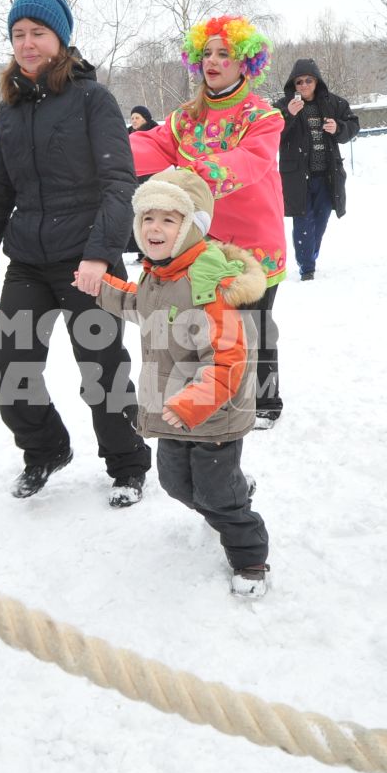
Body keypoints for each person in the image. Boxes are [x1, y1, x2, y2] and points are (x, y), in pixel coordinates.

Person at [0, 0, 152, 504]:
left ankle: (127, 464)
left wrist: (99, 255)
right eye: (18, 34)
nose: (27, 44)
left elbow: (119, 183)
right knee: (9, 363)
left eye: (38, 33)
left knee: (101, 368)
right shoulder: (8, 112)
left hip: (87, 258)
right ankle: (46, 449)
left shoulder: (92, 100)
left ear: (61, 39)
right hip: (29, 261)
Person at [97, 168, 272, 595]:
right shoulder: (159, 274)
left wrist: (192, 404)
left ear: (192, 226)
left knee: (217, 498)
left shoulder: (207, 282)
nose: (154, 228)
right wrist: (101, 287)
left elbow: (230, 358)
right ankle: (233, 490)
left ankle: (250, 559)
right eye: (147, 218)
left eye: (169, 219)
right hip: (170, 410)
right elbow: (142, 307)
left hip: (212, 416)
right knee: (175, 484)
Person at [131, 16, 288, 427]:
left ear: (245, 63)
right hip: (204, 243)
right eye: (206, 54)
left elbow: (251, 161)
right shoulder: (185, 118)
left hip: (254, 243)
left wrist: (194, 174)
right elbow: (150, 144)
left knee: (254, 326)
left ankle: (266, 400)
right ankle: (219, 393)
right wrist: (104, 147)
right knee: (214, 326)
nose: (212, 62)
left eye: (224, 54)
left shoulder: (264, 117)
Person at [273, 59, 357, 281]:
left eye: (308, 80)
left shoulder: (333, 103)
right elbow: (271, 134)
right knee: (302, 221)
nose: (303, 85)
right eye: (299, 81)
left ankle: (310, 254)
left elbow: (353, 125)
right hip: (297, 178)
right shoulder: (281, 106)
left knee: (320, 220)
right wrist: (288, 115)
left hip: (326, 175)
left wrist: (339, 128)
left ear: (317, 81)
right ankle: (307, 267)